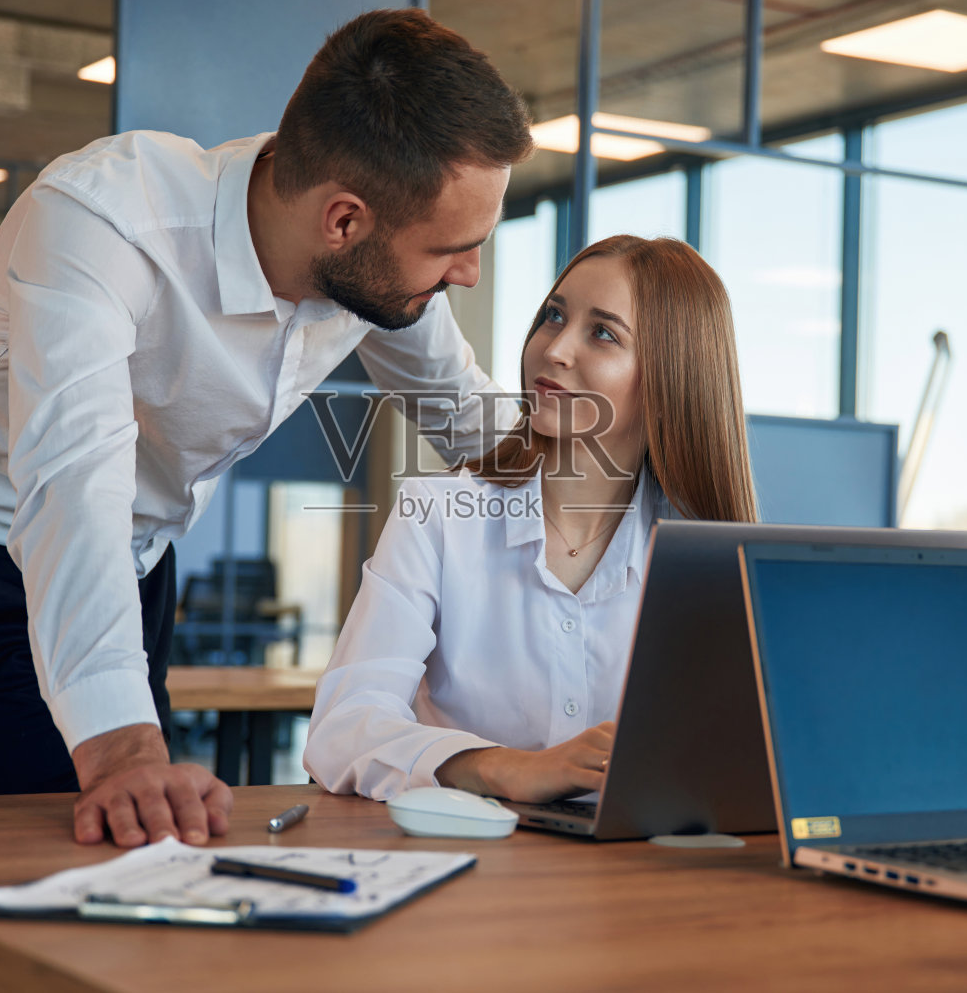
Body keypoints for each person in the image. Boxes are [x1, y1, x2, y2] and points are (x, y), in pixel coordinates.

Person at [0, 8, 532, 848]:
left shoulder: (380, 266)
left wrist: (632, 476)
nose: (467, 273)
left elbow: (463, 411)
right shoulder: (103, 221)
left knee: (141, 860)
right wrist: (121, 749)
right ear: (344, 221)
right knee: (36, 874)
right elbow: (73, 487)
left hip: (138, 568)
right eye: (452, 249)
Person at [304, 235, 759, 802]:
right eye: (553, 316)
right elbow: (341, 730)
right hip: (468, 864)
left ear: (672, 378)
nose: (556, 349)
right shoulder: (440, 516)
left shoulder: (708, 553)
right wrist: (503, 768)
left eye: (603, 333)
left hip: (643, 876)